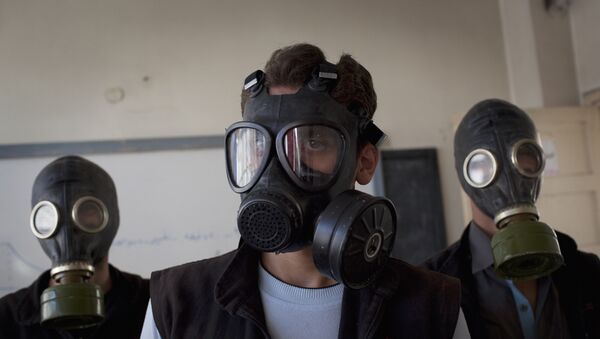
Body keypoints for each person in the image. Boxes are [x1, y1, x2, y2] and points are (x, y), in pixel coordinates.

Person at [141, 43, 460, 339]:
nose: (274, 167)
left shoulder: (434, 307)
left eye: (312, 142)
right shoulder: (174, 305)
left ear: (364, 162)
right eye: (257, 144)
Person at [424, 99, 600, 339]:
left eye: (524, 155)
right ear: (465, 175)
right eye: (484, 163)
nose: (509, 177)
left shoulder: (586, 271)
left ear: (539, 163)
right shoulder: (431, 289)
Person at [0, 155, 150, 339]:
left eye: (87, 210)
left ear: (112, 218)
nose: (67, 228)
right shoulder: (6, 318)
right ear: (37, 224)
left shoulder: (155, 306)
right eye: (51, 214)